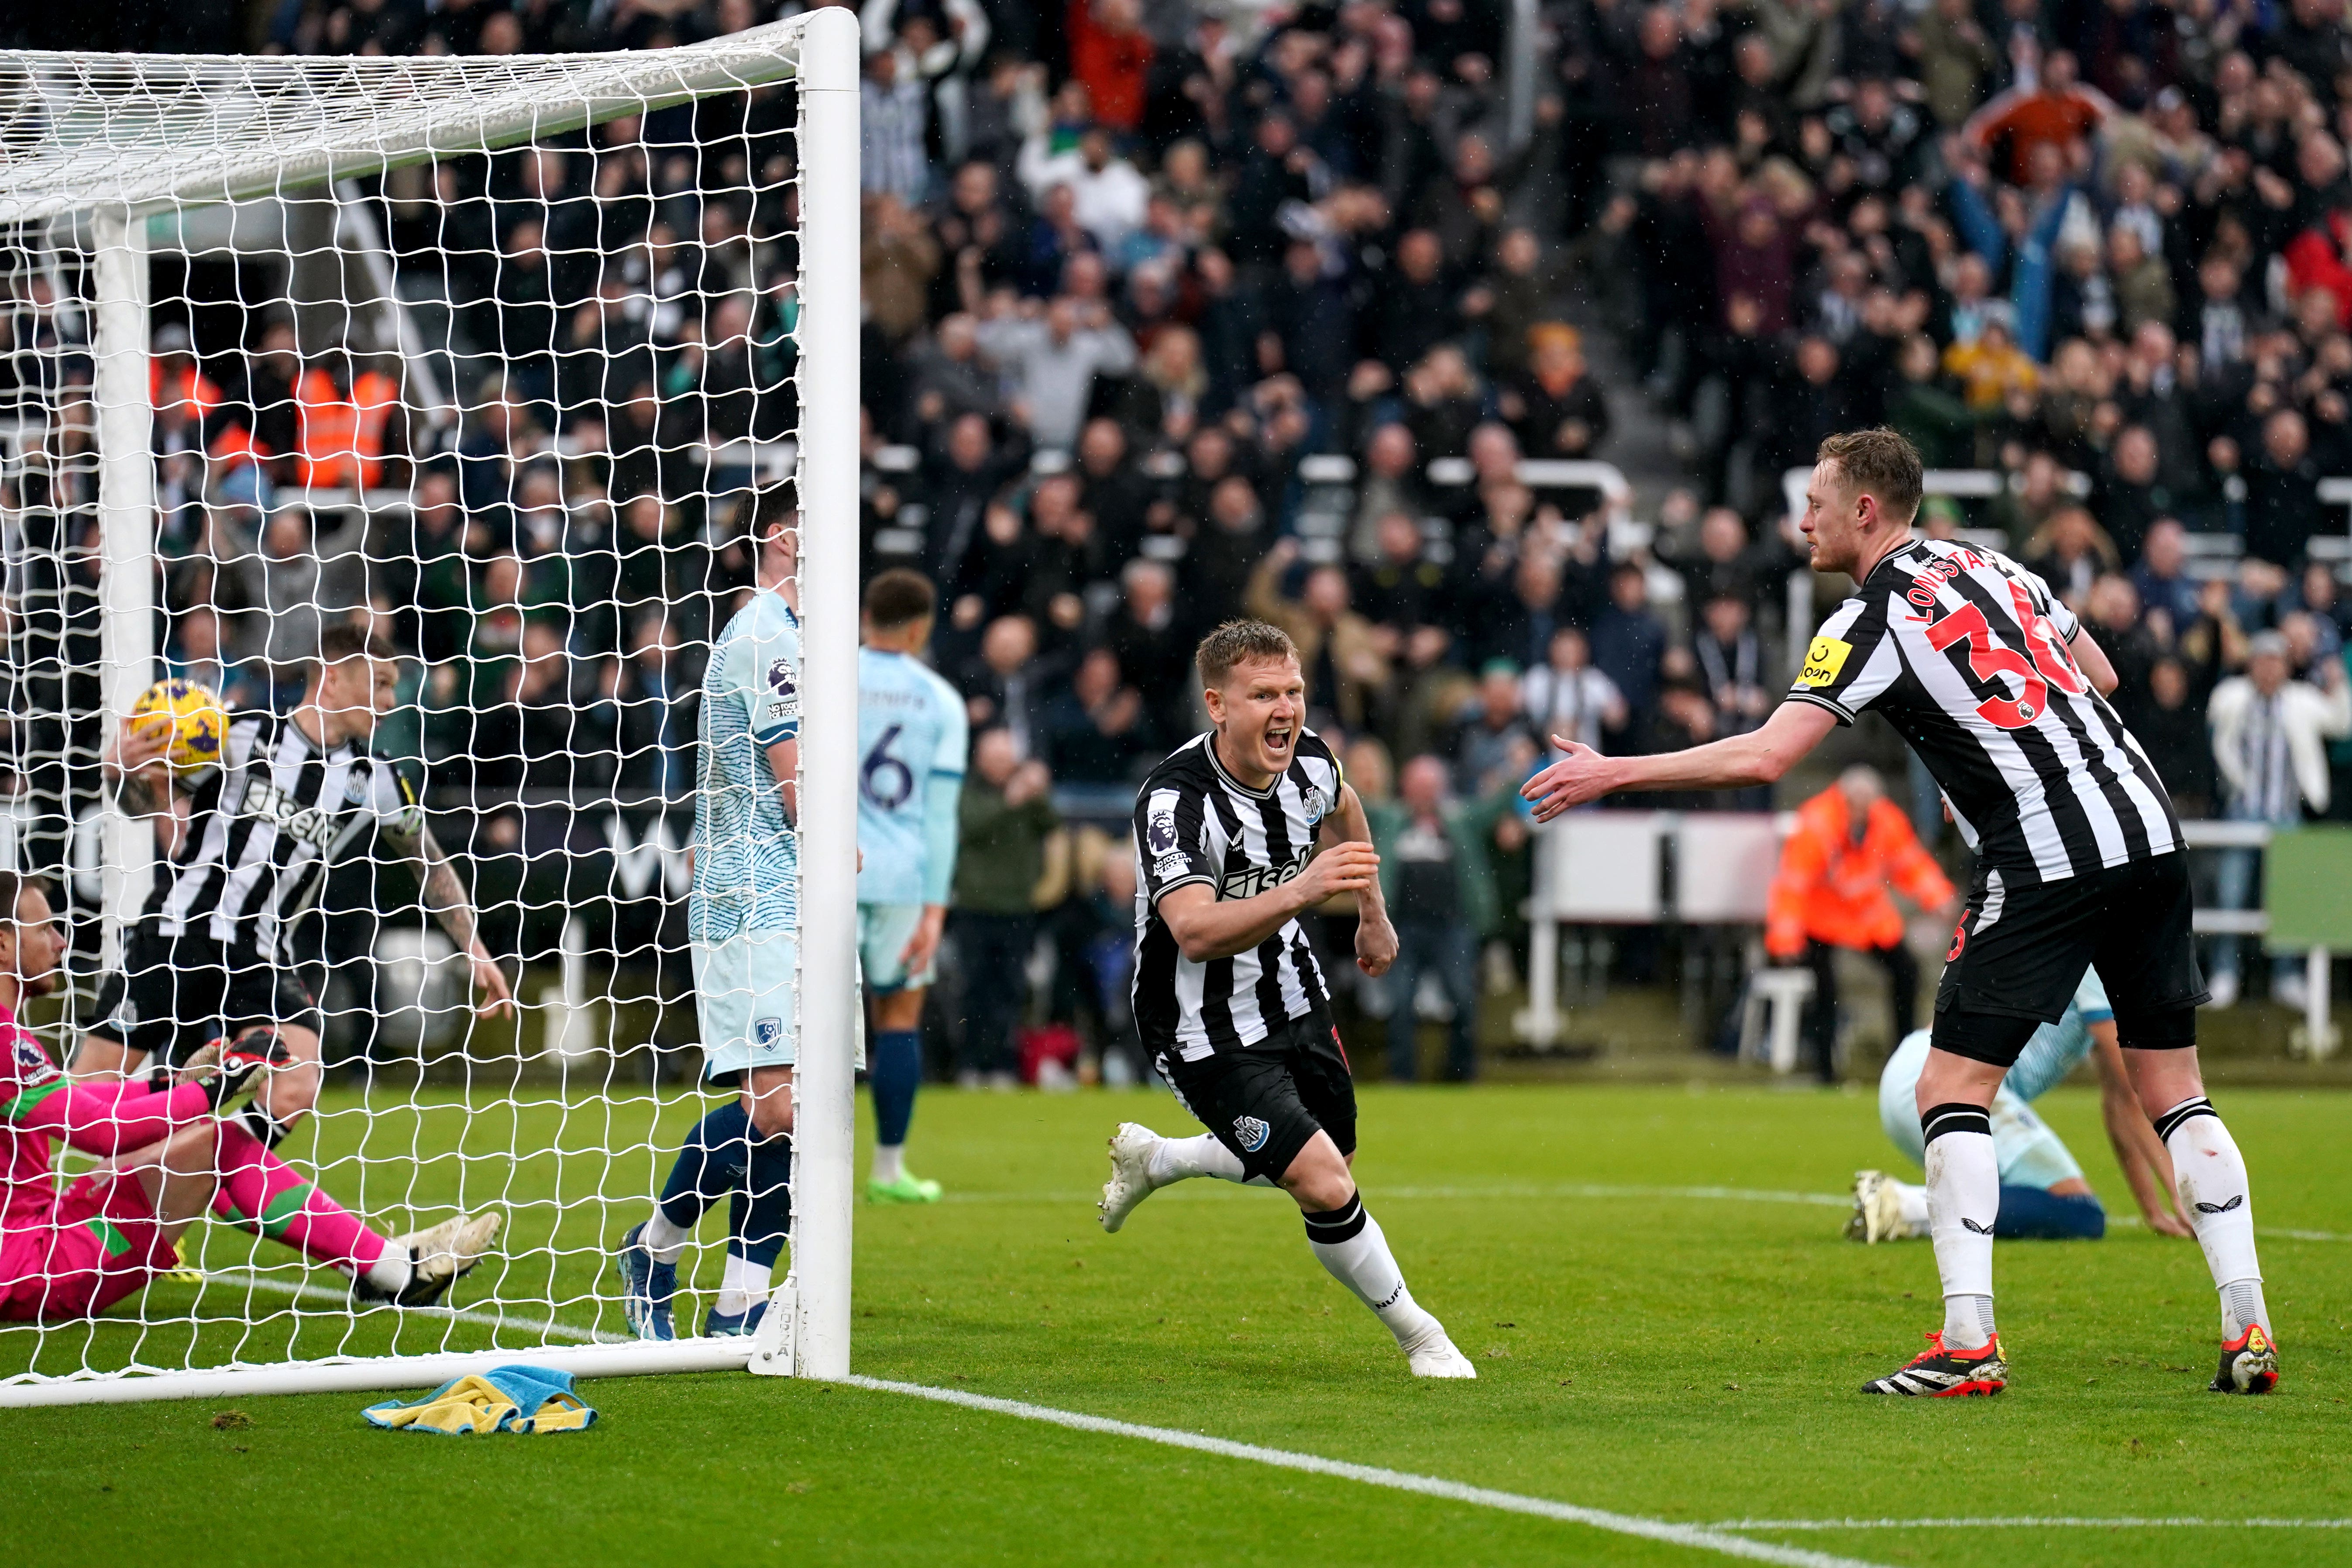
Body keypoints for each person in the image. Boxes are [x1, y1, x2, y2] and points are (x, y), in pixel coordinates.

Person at [1523, 428, 2278, 1399]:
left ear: (1864, 512)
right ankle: (2246, 1320)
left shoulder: (1871, 611)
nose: (1803, 521)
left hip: (2050, 848)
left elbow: (1764, 756)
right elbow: (2105, 676)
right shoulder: (1998, 564)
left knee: (1948, 1089)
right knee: (2174, 1088)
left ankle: (1969, 1344)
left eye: (1816, 502)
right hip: (2151, 825)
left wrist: (1612, 770)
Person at [73, 622, 507, 1296]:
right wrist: (123, 767)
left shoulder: (377, 780)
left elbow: (428, 861)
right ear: (332, 675)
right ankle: (66, 1217)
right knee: (80, 1105)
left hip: (261, 959)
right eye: (382, 684)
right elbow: (140, 802)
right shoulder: (238, 733)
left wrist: (474, 945)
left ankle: (186, 1178)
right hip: (171, 940)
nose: (392, 701)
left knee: (298, 1083)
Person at [1096, 620, 1474, 1379]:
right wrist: (1303, 888)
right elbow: (1195, 931)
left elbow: (1347, 806)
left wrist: (1372, 909)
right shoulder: (1175, 802)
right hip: (1199, 1025)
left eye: (1293, 691)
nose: (1284, 709)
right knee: (1325, 1182)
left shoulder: (1307, 761)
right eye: (1262, 694)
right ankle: (1422, 1336)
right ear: (1217, 705)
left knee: (1332, 1156)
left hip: (1293, 990)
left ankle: (1162, 1160)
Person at [0, 873, 485, 1319]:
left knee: (204, 1143)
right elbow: (99, 1130)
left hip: (39, 1231)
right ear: (3, 943)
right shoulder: (6, 1039)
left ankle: (383, 1263)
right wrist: (223, 1084)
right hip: (30, 1269)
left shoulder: (10, 1033)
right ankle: (393, 1269)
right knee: (219, 1146)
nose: (61, 941)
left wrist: (182, 1085)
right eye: (44, 928)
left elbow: (92, 1104)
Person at [617, 488, 804, 1341]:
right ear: (783, 537)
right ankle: (653, 1245)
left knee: (799, 1110)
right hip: (749, 891)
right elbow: (794, 778)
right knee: (781, 1108)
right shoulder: (765, 631)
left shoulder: (809, 641)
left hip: (800, 891)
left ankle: (738, 1307)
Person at [1850, 968, 2193, 1246]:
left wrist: (2154, 1210)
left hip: (1916, 1068)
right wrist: (2185, 1198)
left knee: (2050, 1205)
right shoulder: (2100, 957)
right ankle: (1905, 1204)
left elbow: (2119, 1100)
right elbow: (2133, 1093)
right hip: (1951, 1079)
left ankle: (1905, 1205)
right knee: (2078, 1212)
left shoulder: (2075, 942)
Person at [856, 569, 967, 1203]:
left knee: (812, 1023)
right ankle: (889, 1169)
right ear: (922, 627)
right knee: (897, 1016)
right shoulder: (941, 700)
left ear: (866, 615)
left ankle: (792, 1164)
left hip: (828, 872)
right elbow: (939, 815)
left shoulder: (828, 676)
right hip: (903, 875)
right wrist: (935, 908)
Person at [1765, 766, 1954, 1083]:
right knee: (1825, 989)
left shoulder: (1884, 820)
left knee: (1907, 971)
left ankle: (1902, 1063)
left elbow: (1910, 863)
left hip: (1866, 918)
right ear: (1845, 799)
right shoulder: (1817, 824)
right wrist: (1785, 940)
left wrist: (1939, 898)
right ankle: (1826, 1072)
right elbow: (1792, 885)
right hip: (1822, 919)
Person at [2203, 630, 2352, 1009]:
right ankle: (2225, 974)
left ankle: (2288, 977)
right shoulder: (2233, 696)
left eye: (2277, 661)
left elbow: (2342, 724)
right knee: (2230, 897)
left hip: (2286, 814)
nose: (2270, 669)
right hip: (2242, 811)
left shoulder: (2301, 701)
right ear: (2251, 664)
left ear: (2287, 666)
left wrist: (2337, 684)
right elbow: (2215, 721)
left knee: (2290, 900)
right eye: (2263, 661)